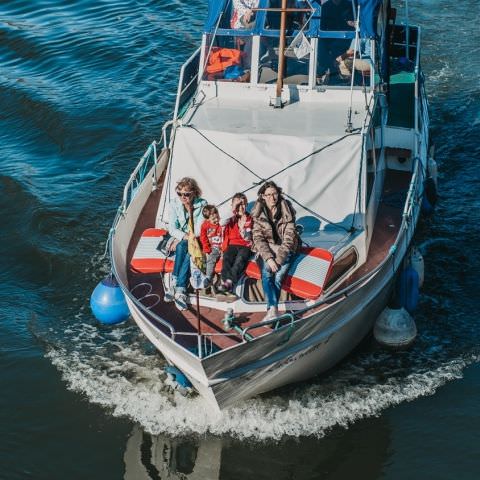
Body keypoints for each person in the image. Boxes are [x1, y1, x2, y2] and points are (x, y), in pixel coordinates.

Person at [251, 181, 299, 321]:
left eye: (275, 194)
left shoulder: (287, 211)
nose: (273, 198)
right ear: (263, 196)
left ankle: (272, 310)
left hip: (285, 250)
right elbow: (258, 239)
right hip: (267, 249)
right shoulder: (258, 213)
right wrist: (269, 259)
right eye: (269, 195)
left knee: (277, 277)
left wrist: (278, 260)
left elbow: (289, 239)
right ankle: (273, 309)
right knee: (267, 272)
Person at [164, 177, 207, 311]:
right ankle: (179, 286)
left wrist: (190, 236)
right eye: (180, 193)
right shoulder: (174, 204)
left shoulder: (202, 204)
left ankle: (177, 285)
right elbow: (172, 227)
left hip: (196, 237)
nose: (183, 197)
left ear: (194, 192)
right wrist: (184, 236)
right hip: (183, 237)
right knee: (183, 246)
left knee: (188, 249)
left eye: (186, 194)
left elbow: (200, 227)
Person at [217, 193, 253, 298]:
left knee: (240, 259)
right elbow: (222, 222)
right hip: (232, 244)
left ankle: (229, 281)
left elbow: (248, 236)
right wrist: (234, 208)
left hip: (245, 245)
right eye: (238, 205)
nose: (241, 207)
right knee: (227, 258)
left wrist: (243, 230)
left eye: (243, 204)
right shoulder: (230, 218)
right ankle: (224, 282)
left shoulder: (249, 218)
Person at [318, 0, 355, 75]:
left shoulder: (350, 5)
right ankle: (326, 69)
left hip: (347, 37)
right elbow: (322, 25)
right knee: (320, 45)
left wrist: (351, 23)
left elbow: (353, 23)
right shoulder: (325, 7)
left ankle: (340, 72)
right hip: (329, 37)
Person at [199, 205, 223, 291]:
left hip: (220, 247)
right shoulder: (205, 226)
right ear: (207, 219)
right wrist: (206, 249)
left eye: (217, 217)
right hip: (212, 247)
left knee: (215, 259)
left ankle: (212, 279)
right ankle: (208, 278)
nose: (216, 220)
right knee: (208, 259)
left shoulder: (221, 225)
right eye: (214, 219)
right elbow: (203, 238)